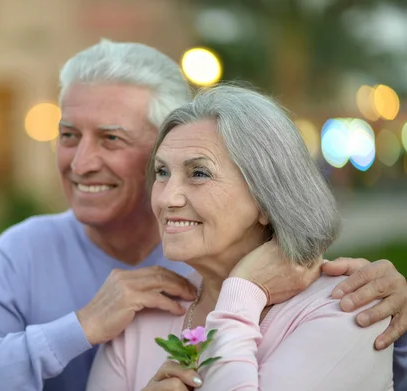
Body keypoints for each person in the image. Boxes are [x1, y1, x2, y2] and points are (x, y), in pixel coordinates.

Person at [0, 40, 407, 391]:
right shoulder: (27, 253)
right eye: (68, 135)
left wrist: (399, 327)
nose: (79, 164)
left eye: (111, 139)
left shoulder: (272, 270)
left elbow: (360, 353)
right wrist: (82, 326)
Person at [86, 84, 395, 390]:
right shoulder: (142, 316)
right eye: (162, 172)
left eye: (199, 173)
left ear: (266, 198)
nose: (166, 198)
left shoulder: (346, 309)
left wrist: (242, 291)